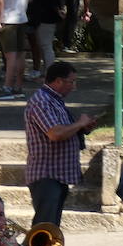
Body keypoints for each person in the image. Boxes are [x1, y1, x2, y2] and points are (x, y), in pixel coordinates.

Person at [24, 61, 97, 229]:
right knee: (44, 228)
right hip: (46, 175)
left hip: (57, 175)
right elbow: (55, 133)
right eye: (71, 82)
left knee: (50, 227)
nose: (74, 86)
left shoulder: (54, 100)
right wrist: (79, 123)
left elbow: (64, 130)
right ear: (58, 81)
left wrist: (82, 128)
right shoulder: (42, 101)